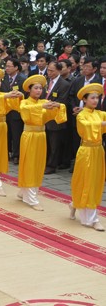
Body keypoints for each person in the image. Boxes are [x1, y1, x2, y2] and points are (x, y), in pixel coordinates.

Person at [18, 75, 66, 211]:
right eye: (36, 88)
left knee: (38, 163)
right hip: (29, 135)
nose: (39, 91)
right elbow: (27, 112)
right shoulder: (24, 103)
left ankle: (24, 191)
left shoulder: (44, 102)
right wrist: (43, 106)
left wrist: (58, 105)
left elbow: (56, 113)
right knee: (30, 164)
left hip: (41, 135)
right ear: (29, 90)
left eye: (41, 88)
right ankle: (30, 197)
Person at [69, 84, 105, 230]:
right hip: (86, 151)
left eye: (97, 98)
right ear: (85, 99)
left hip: (98, 151)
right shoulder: (81, 115)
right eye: (92, 98)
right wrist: (101, 124)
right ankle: (92, 219)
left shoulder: (99, 113)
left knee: (96, 181)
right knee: (86, 181)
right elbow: (88, 126)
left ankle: (75, 204)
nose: (95, 101)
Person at [44, 61, 71, 174]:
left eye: (52, 70)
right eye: (48, 70)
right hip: (43, 116)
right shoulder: (45, 81)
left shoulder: (64, 84)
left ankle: (51, 165)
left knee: (54, 144)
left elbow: (62, 101)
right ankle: (44, 162)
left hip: (55, 118)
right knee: (45, 142)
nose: (49, 72)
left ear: (59, 71)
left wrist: (49, 104)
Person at [0, 58, 26, 164]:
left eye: (9, 66)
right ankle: (6, 152)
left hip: (16, 111)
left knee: (16, 134)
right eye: (6, 66)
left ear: (16, 67)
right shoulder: (3, 78)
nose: (7, 68)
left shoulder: (22, 79)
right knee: (7, 133)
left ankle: (16, 154)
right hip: (5, 110)